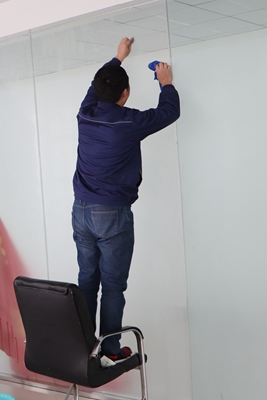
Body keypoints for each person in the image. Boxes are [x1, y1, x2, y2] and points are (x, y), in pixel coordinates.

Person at [72, 38, 180, 361]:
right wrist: (166, 83)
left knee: (86, 281)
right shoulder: (129, 122)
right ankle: (109, 349)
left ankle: (83, 346)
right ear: (125, 93)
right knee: (113, 285)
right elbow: (169, 112)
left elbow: (96, 85)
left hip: (80, 211)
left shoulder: (85, 113)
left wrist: (118, 57)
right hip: (112, 214)